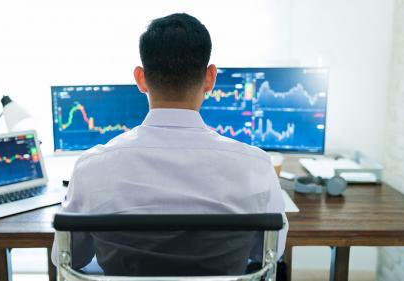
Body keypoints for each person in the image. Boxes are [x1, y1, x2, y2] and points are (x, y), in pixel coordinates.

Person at [52, 13, 288, 276]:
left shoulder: (91, 168)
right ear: (210, 78)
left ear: (140, 79)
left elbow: (69, 256)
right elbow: (269, 252)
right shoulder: (255, 165)